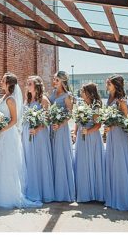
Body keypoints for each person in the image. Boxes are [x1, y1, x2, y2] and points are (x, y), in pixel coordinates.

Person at [0, 73, 41, 209]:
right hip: (0, 134)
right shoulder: (3, 96)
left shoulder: (11, 100)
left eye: (3, 80)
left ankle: (7, 195)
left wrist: (0, 130)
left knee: (7, 163)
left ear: (9, 83)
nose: (0, 82)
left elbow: (14, 120)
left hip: (8, 135)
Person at [104, 75, 128, 211]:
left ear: (115, 85)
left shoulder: (121, 100)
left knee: (120, 162)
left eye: (108, 84)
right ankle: (112, 195)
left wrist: (113, 125)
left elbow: (127, 118)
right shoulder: (109, 98)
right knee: (112, 161)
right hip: (111, 135)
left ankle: (123, 197)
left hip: (120, 135)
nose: (106, 86)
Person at [23, 75, 55, 203]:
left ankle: (43, 191)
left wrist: (37, 129)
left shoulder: (44, 100)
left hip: (40, 134)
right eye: (27, 83)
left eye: (30, 84)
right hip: (28, 133)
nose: (27, 86)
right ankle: (31, 188)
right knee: (30, 160)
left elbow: (48, 119)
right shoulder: (27, 99)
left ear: (36, 86)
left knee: (39, 160)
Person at [74, 83, 105, 203]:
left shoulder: (96, 105)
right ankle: (84, 192)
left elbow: (98, 125)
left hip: (92, 137)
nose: (81, 93)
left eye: (83, 91)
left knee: (92, 161)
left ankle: (95, 193)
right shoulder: (81, 104)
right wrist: (75, 132)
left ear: (89, 93)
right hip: (81, 137)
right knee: (82, 162)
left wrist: (88, 131)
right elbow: (77, 121)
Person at [49, 71, 76, 203]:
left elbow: (70, 114)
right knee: (52, 155)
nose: (54, 81)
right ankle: (52, 188)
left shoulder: (67, 95)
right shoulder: (53, 93)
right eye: (54, 79)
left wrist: (59, 124)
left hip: (61, 129)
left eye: (56, 80)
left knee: (60, 155)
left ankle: (63, 190)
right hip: (51, 128)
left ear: (62, 81)